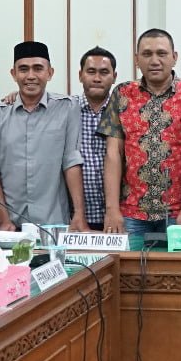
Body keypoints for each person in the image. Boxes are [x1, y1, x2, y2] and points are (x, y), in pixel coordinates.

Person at [100, 29, 181, 236]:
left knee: (178, 260)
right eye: (147, 54)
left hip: (178, 212)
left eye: (161, 54)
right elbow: (113, 153)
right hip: (130, 212)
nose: (154, 61)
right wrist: (112, 209)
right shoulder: (122, 94)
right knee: (126, 259)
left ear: (174, 57)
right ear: (136, 59)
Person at [0, 41, 85, 229]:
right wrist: (4, 221)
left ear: (50, 73)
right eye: (23, 69)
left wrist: (79, 214)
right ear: (13, 74)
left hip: (53, 222)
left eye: (38, 68)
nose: (30, 76)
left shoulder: (67, 108)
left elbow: (71, 161)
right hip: (10, 223)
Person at [75, 47, 117, 232]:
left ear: (114, 77)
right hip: (75, 216)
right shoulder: (65, 110)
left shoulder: (124, 111)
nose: (97, 78)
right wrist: (14, 96)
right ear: (80, 75)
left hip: (117, 216)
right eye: (91, 71)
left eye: (104, 72)